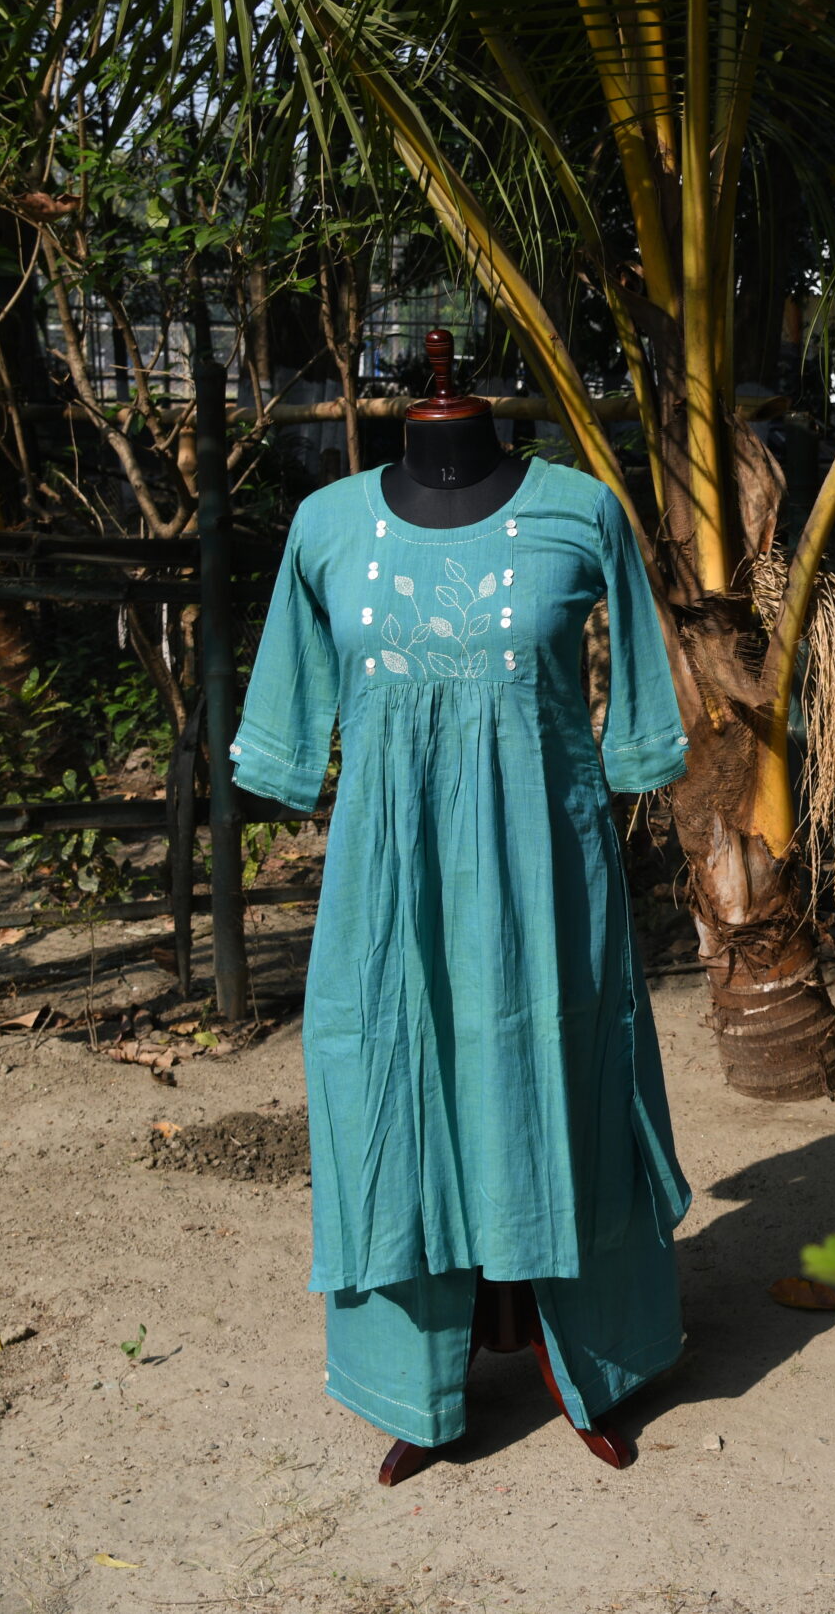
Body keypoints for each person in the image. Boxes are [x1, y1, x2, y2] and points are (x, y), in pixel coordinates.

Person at [231, 330, 692, 1484]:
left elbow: (643, 695)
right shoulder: (324, 528)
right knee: (390, 1081)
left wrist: (639, 754)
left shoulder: (583, 512)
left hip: (547, 876)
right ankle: (414, 1378)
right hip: (388, 883)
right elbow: (288, 716)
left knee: (563, 1084)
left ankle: (590, 1352)